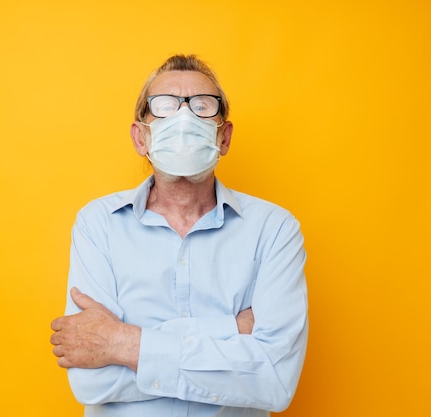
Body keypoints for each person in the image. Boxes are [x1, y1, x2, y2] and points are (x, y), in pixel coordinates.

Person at [50, 54, 308, 417]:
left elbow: (275, 380)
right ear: (141, 138)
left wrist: (123, 342)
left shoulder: (274, 229)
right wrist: (231, 330)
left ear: (225, 137)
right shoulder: (98, 224)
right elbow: (92, 381)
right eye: (165, 107)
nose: (184, 119)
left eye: (202, 107)